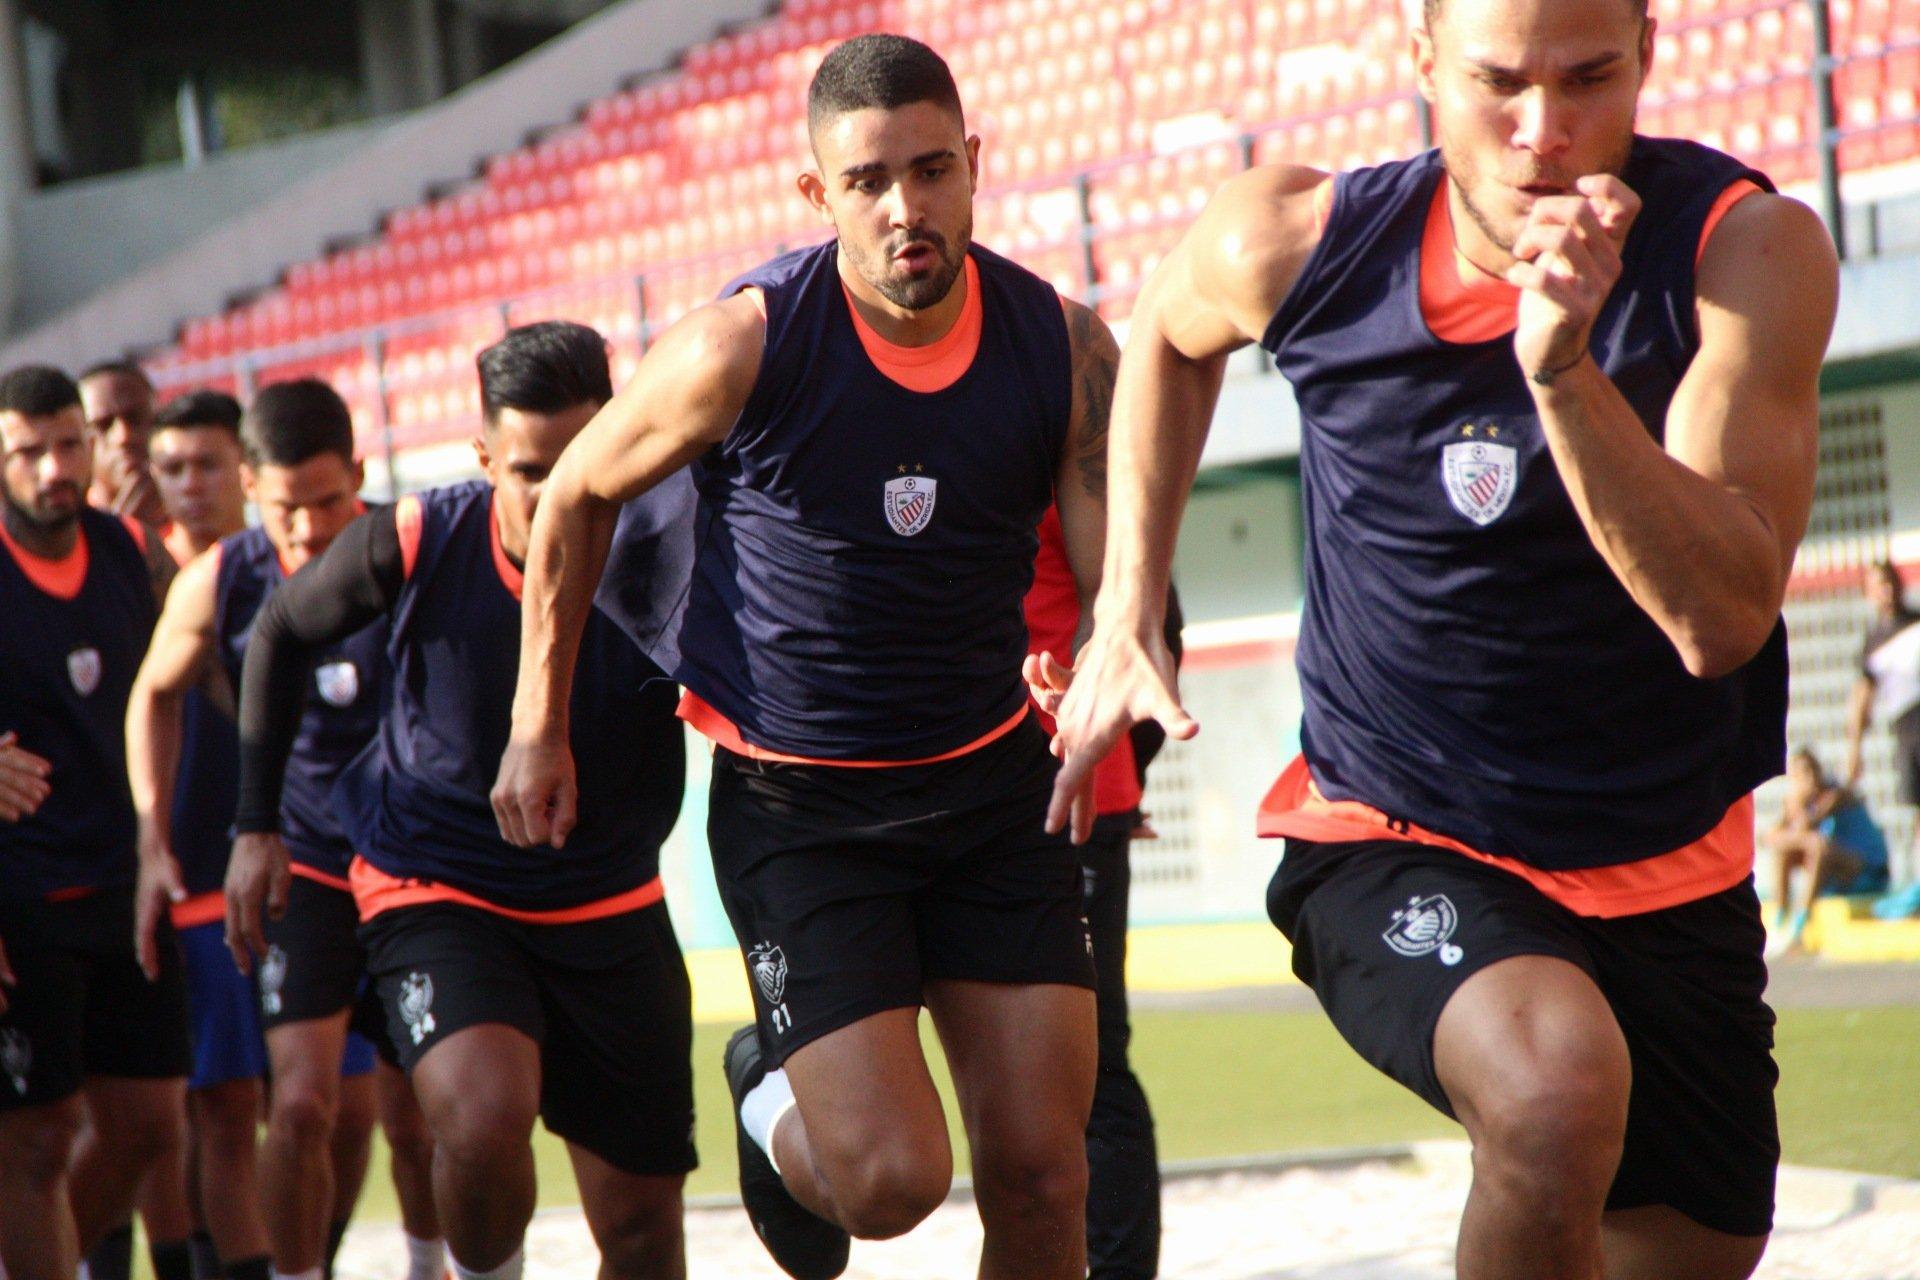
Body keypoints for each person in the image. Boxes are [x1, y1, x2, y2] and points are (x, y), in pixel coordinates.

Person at [1047, 0, 1840, 1276]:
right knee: (1554, 1090)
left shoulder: (1744, 255)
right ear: (1420, 62)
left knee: (1689, 1246)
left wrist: (1563, 372)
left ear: (1649, 48)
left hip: (1669, 854)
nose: (1545, 132)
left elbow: (1720, 619)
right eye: (1497, 84)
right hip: (1397, 822)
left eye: (1589, 78)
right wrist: (1128, 597)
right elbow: (1168, 336)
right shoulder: (1296, 239)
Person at [493, 34, 1117, 1280]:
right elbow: (569, 500)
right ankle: (763, 1095)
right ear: (816, 192)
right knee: (890, 1186)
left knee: (1047, 1174)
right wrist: (536, 720)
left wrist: (1109, 652)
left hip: (994, 783)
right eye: (870, 178)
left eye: (933, 170)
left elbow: (1113, 573)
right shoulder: (745, 345)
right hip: (803, 808)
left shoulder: (1061, 343)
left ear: (976, 164)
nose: (907, 207)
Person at [231, 322, 695, 1280]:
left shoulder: (669, 544)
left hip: (614, 904)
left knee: (645, 1233)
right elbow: (277, 629)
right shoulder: (417, 537)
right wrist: (255, 826)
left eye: (580, 459)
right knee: (482, 1127)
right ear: (483, 457)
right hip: (440, 888)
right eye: (531, 470)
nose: (561, 490)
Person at [200, 380, 443, 1280]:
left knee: (419, 1115)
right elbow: (152, 688)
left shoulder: (417, 550)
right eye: (285, 509)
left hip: (416, 867)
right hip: (306, 870)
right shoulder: (225, 577)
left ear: (363, 476)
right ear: (252, 490)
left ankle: (430, 1268)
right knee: (298, 1107)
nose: (308, 530)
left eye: (330, 503)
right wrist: (160, 842)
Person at [0, 364, 189, 1280]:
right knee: (37, 1142)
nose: (53, 468)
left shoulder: (127, 551)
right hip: (22, 899)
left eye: (68, 444)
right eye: (28, 451)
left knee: (152, 1127)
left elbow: (190, 670)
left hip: (129, 883)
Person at [78, 391, 258, 1280]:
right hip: (167, 867)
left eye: (205, 464)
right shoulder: (118, 568)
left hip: (301, 863)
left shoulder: (285, 565)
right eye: (170, 464)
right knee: (181, 1107)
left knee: (337, 1109)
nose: (183, 483)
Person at [1021, 507, 1172, 1280]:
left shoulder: (1065, 416)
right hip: (1041, 777)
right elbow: (1159, 619)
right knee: (1084, 1071)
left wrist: (1121, 772)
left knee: (1090, 1069)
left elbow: (1152, 615)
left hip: (1069, 781)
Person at [1764, 748, 1890, 955]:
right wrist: (1795, 814)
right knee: (1785, 851)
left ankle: (1801, 923)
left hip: (1869, 869)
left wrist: (1797, 811)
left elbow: (1811, 827)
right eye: (1801, 774)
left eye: (1812, 770)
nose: (1810, 778)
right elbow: (1771, 838)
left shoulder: (1835, 795)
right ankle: (1780, 916)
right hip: (1839, 872)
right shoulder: (1798, 802)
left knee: (1817, 847)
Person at [80, 362, 167, 525]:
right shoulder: (66, 532)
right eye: (103, 425)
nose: (124, 437)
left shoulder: (202, 523)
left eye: (136, 418)